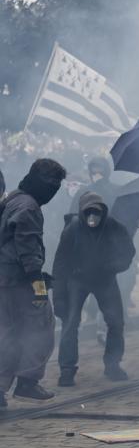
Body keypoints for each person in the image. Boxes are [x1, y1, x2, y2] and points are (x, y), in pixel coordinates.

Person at [0, 158, 67, 408]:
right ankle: (27, 382)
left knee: (8, 333)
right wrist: (38, 283)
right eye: (52, 185)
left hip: (5, 280)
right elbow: (26, 249)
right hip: (19, 282)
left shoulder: (15, 198)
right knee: (40, 327)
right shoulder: (28, 207)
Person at [53, 192, 135, 386]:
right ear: (82, 212)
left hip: (105, 278)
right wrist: (59, 297)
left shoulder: (113, 226)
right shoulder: (72, 229)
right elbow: (60, 263)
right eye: (88, 212)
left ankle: (113, 364)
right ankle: (67, 369)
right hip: (77, 279)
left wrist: (112, 266)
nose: (93, 217)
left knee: (116, 321)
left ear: (103, 212)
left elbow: (128, 251)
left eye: (96, 212)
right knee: (70, 322)